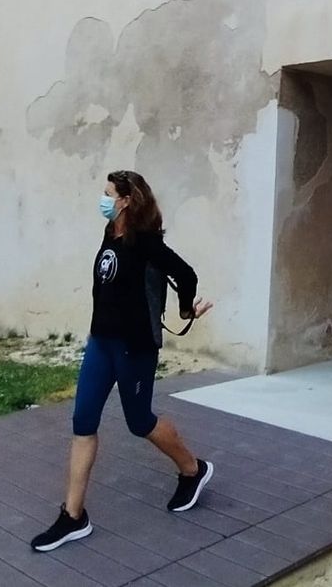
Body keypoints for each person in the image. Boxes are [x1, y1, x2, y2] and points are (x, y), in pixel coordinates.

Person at [31, 170, 216, 552]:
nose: (102, 200)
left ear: (126, 200)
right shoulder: (109, 234)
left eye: (107, 194)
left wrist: (185, 310)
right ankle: (73, 516)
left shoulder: (147, 243)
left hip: (134, 347)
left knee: (139, 421)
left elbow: (185, 273)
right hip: (101, 343)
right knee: (83, 422)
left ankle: (193, 469)